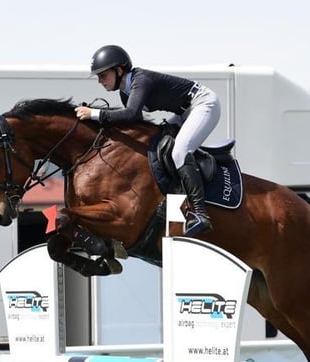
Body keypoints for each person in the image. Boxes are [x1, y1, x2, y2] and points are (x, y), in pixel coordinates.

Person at [75, 44, 222, 236]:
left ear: (119, 70)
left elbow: (131, 114)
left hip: (203, 103)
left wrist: (94, 114)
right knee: (160, 144)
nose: (100, 81)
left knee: (179, 152)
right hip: (183, 112)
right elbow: (133, 123)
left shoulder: (140, 79)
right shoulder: (124, 92)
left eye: (103, 75)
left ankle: (200, 214)